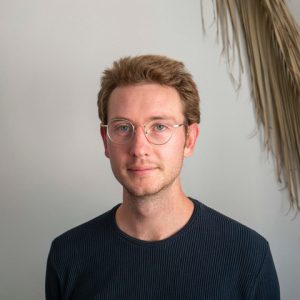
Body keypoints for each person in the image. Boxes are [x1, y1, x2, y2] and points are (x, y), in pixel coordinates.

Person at [45, 55, 280, 299]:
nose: (138, 148)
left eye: (159, 127)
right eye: (123, 127)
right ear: (106, 141)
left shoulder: (249, 256)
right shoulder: (68, 255)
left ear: (189, 139)